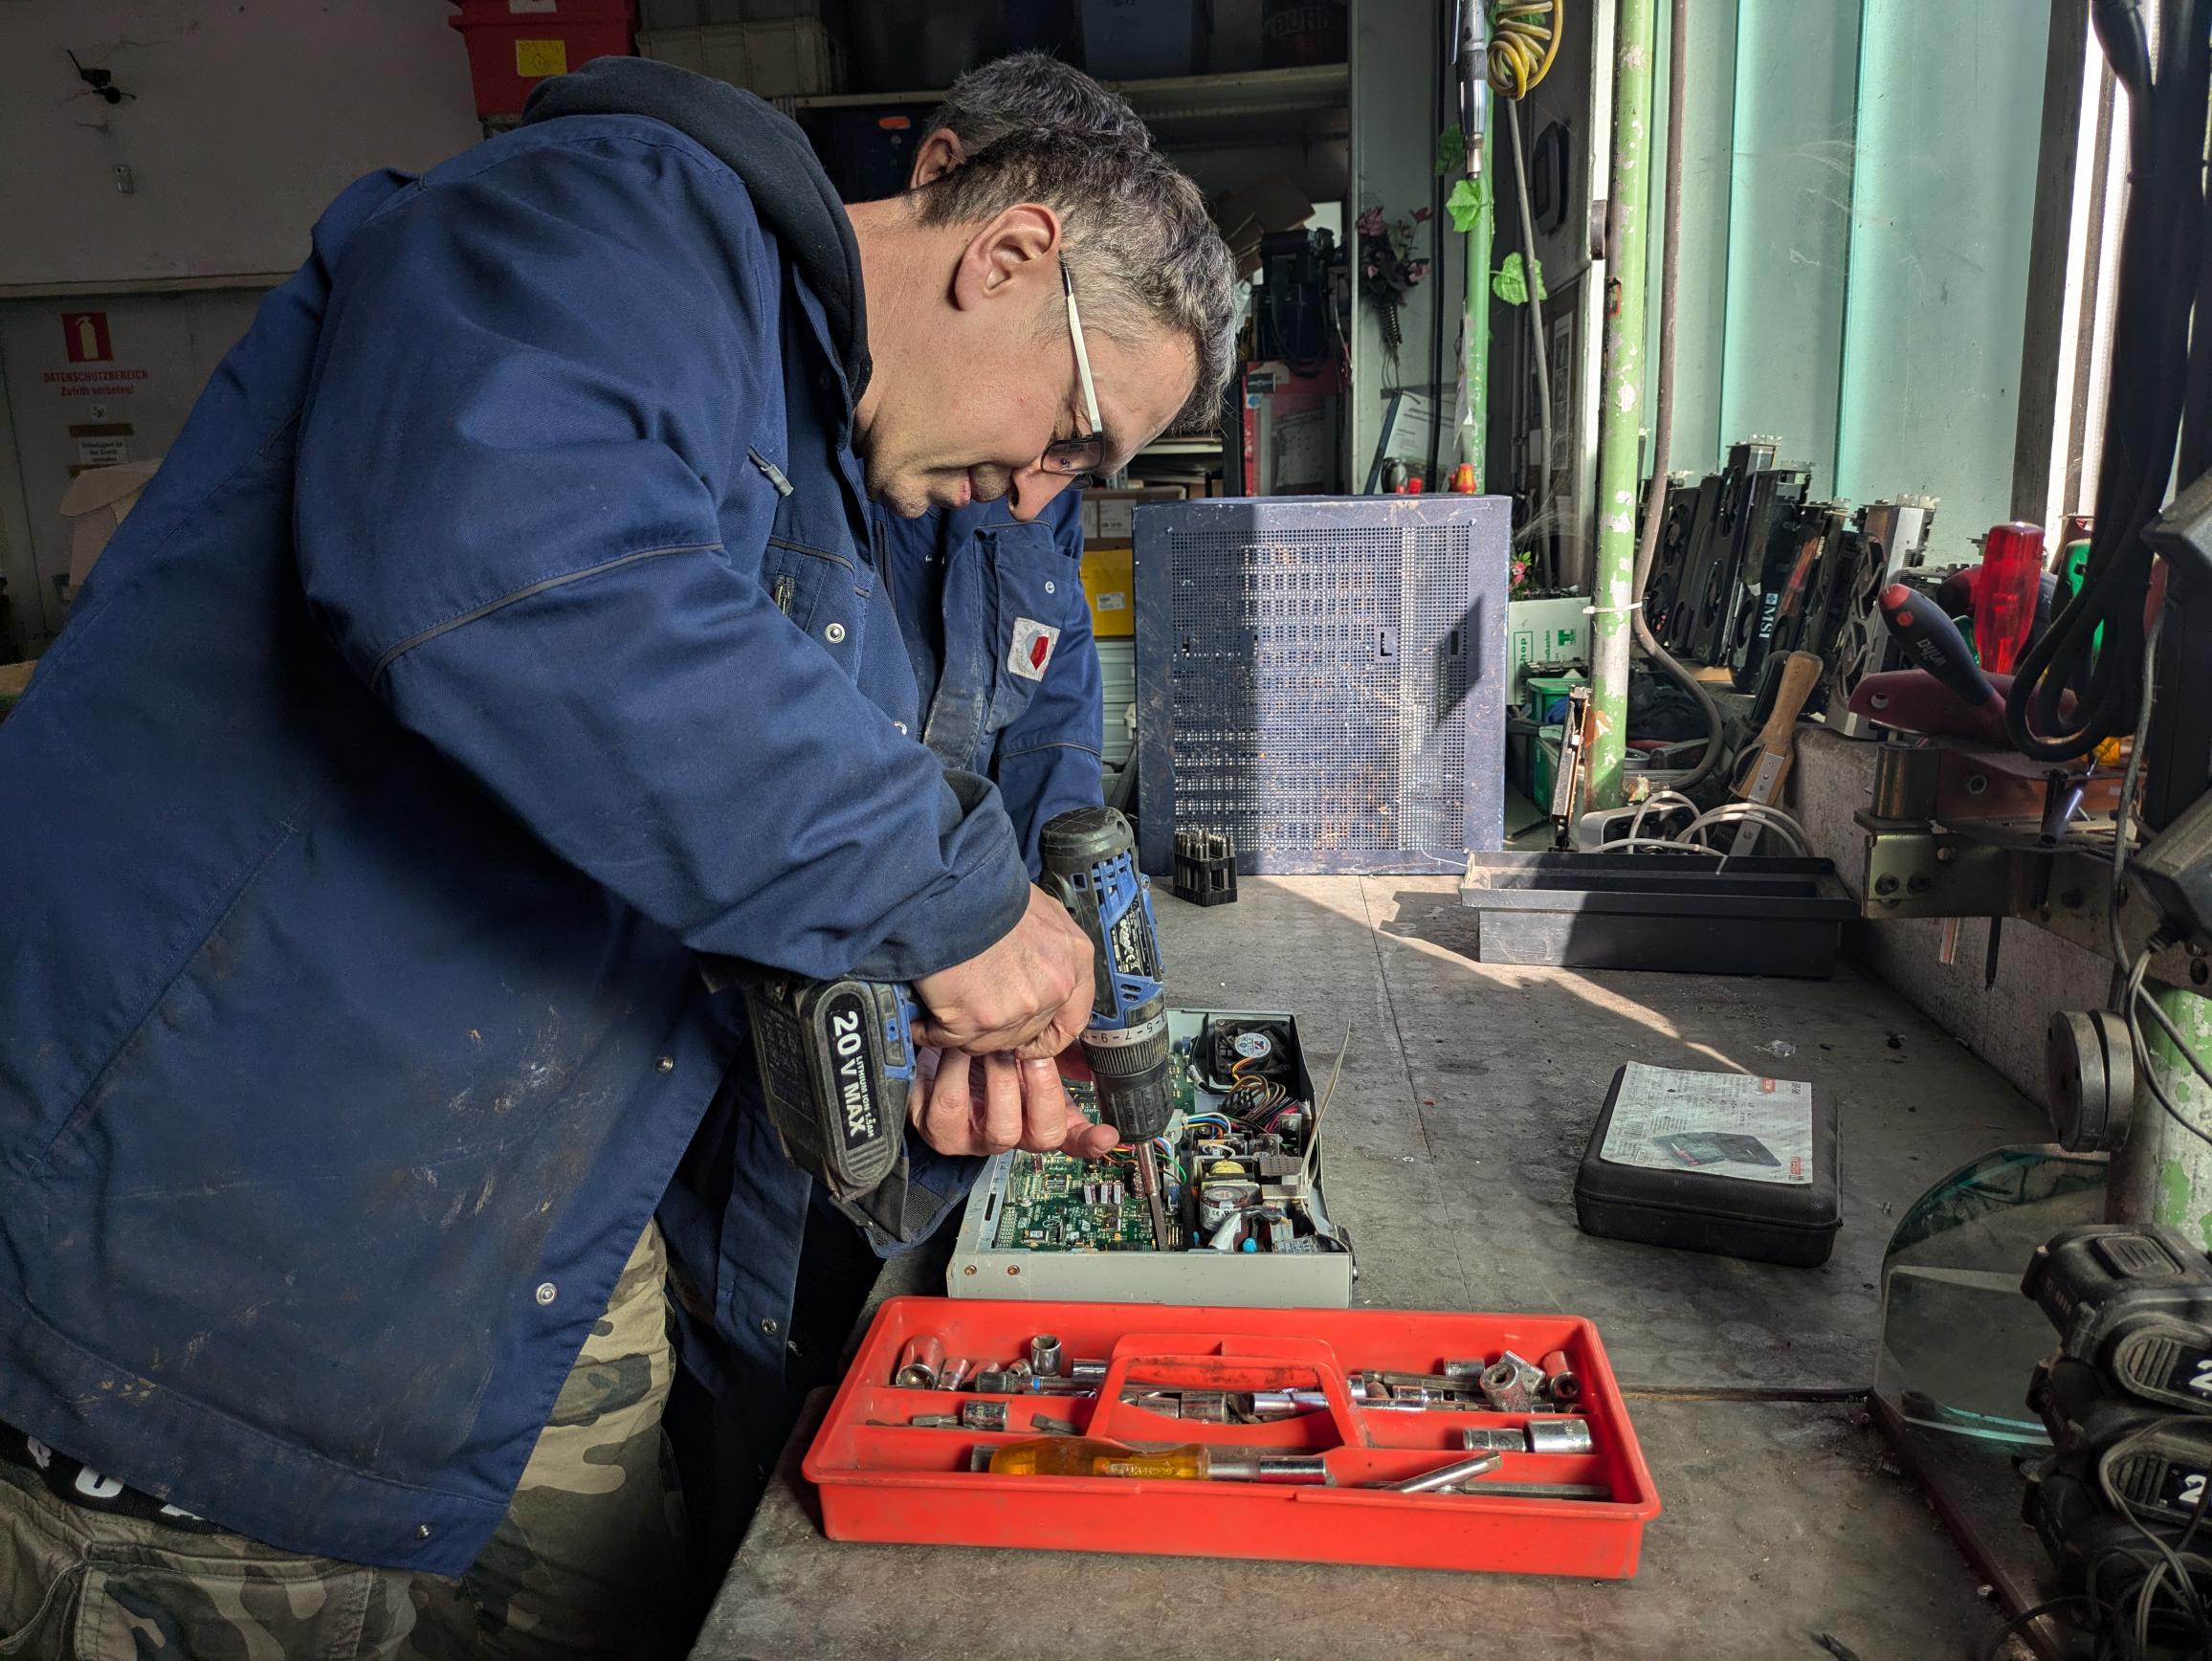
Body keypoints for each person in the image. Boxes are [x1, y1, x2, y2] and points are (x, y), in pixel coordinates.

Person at [0, 54, 1235, 1661]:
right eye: (1070, 432)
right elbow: (524, 573)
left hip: (525, 1265)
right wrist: (947, 904)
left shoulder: (846, 469)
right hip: (209, 1268)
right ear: (1007, 254)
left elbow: (714, 818)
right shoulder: (606, 222)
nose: (1035, 494)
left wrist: (917, 1024)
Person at [877, 56, 1152, 869]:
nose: (1035, 490)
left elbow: (1054, 718)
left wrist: (1057, 889)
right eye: (1063, 408)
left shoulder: (1039, 481)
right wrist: (965, 911)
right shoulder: (801, 446)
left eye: (1077, 452)